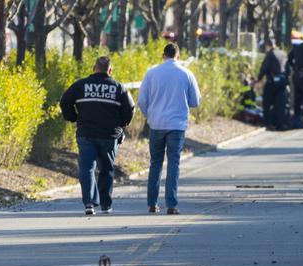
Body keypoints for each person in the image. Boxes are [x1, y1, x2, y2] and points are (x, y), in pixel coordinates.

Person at [60, 56, 135, 215]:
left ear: (94, 68)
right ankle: (106, 205)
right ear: (110, 70)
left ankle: (89, 203)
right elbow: (130, 109)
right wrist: (122, 124)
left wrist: (73, 117)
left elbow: (65, 101)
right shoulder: (118, 88)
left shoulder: (80, 85)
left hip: (86, 133)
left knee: (86, 168)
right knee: (106, 169)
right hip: (109, 135)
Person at [138, 43, 201, 215]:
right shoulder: (187, 74)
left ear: (163, 55)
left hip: (156, 124)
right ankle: (171, 204)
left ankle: (152, 203)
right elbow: (195, 101)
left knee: (155, 163)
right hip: (177, 125)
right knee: (174, 162)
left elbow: (142, 101)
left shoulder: (151, 73)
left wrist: (150, 115)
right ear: (178, 56)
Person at [257, 39, 289, 130]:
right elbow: (288, 68)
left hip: (272, 81)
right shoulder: (283, 54)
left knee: (266, 102)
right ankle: (281, 124)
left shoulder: (270, 54)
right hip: (282, 82)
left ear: (268, 45)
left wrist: (259, 79)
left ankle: (268, 123)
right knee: (280, 104)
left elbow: (265, 68)